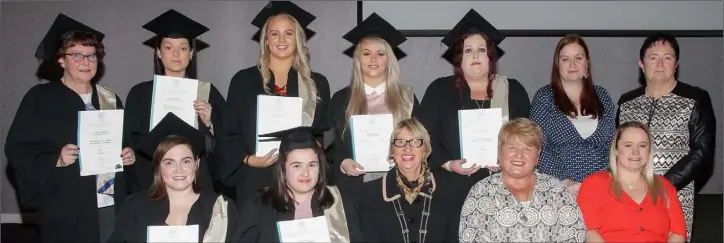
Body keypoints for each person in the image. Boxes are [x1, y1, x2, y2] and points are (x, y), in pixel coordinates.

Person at [4, 14, 136, 242]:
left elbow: (123, 143)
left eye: (91, 55)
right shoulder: (40, 99)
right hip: (66, 208)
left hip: (110, 203)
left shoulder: (110, 98)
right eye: (76, 55)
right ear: (61, 60)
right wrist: (56, 159)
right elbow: (18, 151)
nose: (86, 62)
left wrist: (128, 156)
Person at [221, 1, 331, 209]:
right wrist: (248, 160)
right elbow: (228, 132)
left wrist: (316, 146)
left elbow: (325, 133)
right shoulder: (243, 81)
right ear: (265, 40)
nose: (281, 39)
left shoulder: (316, 84)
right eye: (274, 34)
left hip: (301, 182)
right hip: (255, 178)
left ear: (297, 39)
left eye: (288, 33)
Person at [417, 9, 530, 202]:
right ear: (459, 59)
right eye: (468, 50)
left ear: (491, 56)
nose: (475, 55)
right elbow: (423, 135)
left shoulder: (513, 91)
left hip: (503, 187)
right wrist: (449, 164)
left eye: (482, 50)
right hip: (450, 188)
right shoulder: (439, 91)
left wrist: (509, 161)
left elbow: (527, 137)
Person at [616, 33, 716, 241]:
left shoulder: (695, 98)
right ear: (642, 64)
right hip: (630, 195)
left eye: (667, 57)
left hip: (676, 196)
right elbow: (617, 150)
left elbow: (702, 151)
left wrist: (663, 186)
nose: (660, 64)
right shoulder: (627, 102)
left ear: (676, 63)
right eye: (653, 57)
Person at [124, 9, 225, 194]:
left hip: (198, 183)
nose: (176, 54)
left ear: (191, 53)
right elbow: (131, 144)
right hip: (153, 183)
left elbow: (226, 143)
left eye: (183, 48)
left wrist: (210, 124)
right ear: (159, 52)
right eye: (169, 47)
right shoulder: (140, 94)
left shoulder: (206, 92)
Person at [329, 12, 419, 202]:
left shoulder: (407, 98)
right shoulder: (340, 99)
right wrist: (342, 161)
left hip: (399, 183)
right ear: (358, 59)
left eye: (380, 54)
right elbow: (330, 144)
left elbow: (422, 142)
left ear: (389, 59)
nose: (373, 59)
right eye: (366, 53)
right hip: (354, 187)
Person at [109, 117, 240, 243]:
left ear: (196, 164)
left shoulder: (221, 208)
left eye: (186, 161)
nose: (179, 170)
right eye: (169, 163)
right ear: (158, 167)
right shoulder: (135, 207)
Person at [458, 118, 587, 242]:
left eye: (527, 149)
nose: (519, 155)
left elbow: (575, 232)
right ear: (499, 151)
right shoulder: (481, 191)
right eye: (512, 148)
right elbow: (472, 237)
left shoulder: (556, 189)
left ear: (537, 156)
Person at [237, 127, 363, 242]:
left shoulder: (340, 203)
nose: (305, 173)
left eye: (312, 165)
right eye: (297, 165)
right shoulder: (259, 204)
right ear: (283, 168)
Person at [529, 34, 616, 193]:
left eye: (578, 58)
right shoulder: (544, 98)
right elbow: (536, 145)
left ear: (587, 63)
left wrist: (599, 181)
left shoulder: (602, 96)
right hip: (557, 189)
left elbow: (613, 144)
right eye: (565, 59)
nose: (572, 64)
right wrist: (565, 180)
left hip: (602, 189)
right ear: (557, 65)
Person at [578, 121, 687, 243]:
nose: (636, 152)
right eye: (628, 145)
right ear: (616, 150)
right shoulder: (595, 183)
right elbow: (588, 231)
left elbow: (678, 233)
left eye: (642, 145)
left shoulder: (665, 186)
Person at [359, 118, 461, 243]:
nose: (407, 148)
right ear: (392, 150)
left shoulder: (449, 192)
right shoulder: (368, 194)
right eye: (400, 142)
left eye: (415, 142)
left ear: (425, 150)